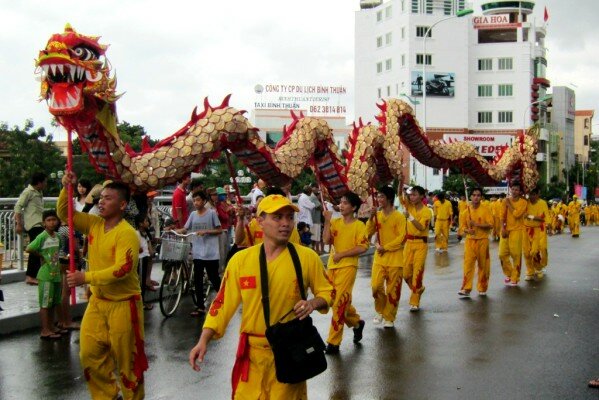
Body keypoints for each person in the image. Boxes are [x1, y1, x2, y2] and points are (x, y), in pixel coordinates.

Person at [188, 194, 334, 398]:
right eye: (277, 217)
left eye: (289, 217)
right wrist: (203, 340)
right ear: (260, 221)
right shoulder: (241, 260)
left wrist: (313, 303)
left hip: (289, 355)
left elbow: (328, 292)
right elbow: (222, 303)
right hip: (252, 358)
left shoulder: (307, 258)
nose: (285, 223)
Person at [58, 171, 146, 400]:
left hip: (124, 306)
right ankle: (108, 396)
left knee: (129, 364)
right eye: (101, 197)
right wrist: (66, 188)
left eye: (108, 198)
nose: (101, 201)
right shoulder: (95, 224)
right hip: (98, 302)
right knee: (89, 355)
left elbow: (122, 269)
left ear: (123, 204)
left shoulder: (127, 233)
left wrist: (84, 277)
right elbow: (64, 214)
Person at [323, 191, 368, 353]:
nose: (341, 206)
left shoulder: (359, 225)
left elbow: (363, 247)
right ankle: (356, 322)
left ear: (354, 207)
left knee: (339, 303)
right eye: (340, 202)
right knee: (337, 301)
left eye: (345, 203)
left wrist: (342, 254)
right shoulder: (335, 222)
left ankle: (333, 342)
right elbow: (326, 240)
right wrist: (327, 221)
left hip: (348, 267)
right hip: (332, 266)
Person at [366, 186, 407, 326]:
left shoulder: (399, 217)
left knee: (392, 290)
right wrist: (371, 218)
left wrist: (386, 247)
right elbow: (368, 234)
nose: (378, 199)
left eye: (381, 196)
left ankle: (389, 317)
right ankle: (380, 310)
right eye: (378, 196)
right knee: (375, 286)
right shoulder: (377, 216)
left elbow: (402, 238)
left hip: (395, 259)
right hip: (380, 258)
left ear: (389, 199)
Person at [179, 190, 222, 315]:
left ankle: (224, 300)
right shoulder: (193, 215)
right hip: (198, 252)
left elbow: (219, 230)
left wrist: (207, 232)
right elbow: (186, 228)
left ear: (204, 201)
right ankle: (200, 306)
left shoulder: (212, 213)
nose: (196, 203)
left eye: (198, 200)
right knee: (197, 279)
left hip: (211, 252)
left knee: (214, 278)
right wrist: (177, 230)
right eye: (194, 200)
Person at [26, 209, 64, 339]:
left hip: (56, 274)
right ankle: (45, 329)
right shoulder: (42, 236)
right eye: (49, 220)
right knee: (45, 303)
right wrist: (41, 255)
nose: (52, 223)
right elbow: (29, 248)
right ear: (44, 223)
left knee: (53, 302)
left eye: (54, 220)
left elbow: (57, 252)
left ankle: (52, 326)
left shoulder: (58, 237)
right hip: (46, 275)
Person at [457, 188, 493, 297]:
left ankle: (482, 287)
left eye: (478, 195)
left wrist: (476, 224)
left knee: (483, 265)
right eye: (474, 195)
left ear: (481, 197)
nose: (476, 197)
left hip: (482, 240)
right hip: (470, 241)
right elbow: (461, 228)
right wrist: (468, 230)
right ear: (471, 197)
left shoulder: (486, 210)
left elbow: (490, 225)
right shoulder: (465, 212)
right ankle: (466, 288)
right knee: (468, 265)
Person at [15, 172, 47, 285]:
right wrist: (18, 224)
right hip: (33, 225)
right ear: (39, 183)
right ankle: (30, 276)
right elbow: (18, 207)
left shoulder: (39, 192)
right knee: (35, 250)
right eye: (44, 181)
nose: (45, 184)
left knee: (39, 250)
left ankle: (36, 274)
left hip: (40, 225)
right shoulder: (28, 192)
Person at [402, 185, 430, 311]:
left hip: (420, 244)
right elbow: (400, 194)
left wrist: (410, 217)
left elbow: (421, 227)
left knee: (417, 274)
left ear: (422, 196)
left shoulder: (426, 211)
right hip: (408, 244)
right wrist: (400, 181)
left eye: (415, 194)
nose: (412, 197)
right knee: (405, 274)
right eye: (411, 194)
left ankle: (414, 301)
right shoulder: (409, 206)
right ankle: (418, 289)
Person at [499, 181, 527, 286]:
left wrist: (509, 204)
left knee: (516, 255)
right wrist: (502, 228)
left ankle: (515, 277)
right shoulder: (505, 201)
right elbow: (501, 216)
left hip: (517, 230)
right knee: (502, 254)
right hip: (506, 230)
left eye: (517, 190)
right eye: (513, 189)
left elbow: (516, 215)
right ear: (510, 189)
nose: (514, 191)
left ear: (520, 192)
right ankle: (510, 273)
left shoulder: (523, 202)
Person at [523, 188, 549, 281]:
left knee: (537, 250)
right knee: (526, 252)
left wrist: (530, 216)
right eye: (530, 194)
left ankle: (539, 267)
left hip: (539, 229)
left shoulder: (542, 203)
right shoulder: (525, 202)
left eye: (534, 194)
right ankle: (530, 271)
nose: (532, 196)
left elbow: (544, 219)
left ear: (538, 194)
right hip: (525, 230)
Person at [135, 213, 153, 310]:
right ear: (140, 224)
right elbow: (135, 245)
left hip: (145, 257)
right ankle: (140, 302)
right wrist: (138, 249)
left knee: (142, 280)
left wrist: (150, 251)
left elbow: (147, 244)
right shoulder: (136, 233)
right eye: (146, 221)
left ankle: (142, 301)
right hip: (140, 258)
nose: (148, 223)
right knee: (140, 281)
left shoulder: (145, 233)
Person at [309, 184, 324, 254]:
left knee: (315, 237)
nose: (317, 189)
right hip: (315, 219)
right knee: (315, 237)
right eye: (316, 187)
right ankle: (316, 251)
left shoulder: (312, 196)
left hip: (314, 219)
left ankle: (315, 250)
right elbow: (321, 207)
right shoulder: (313, 197)